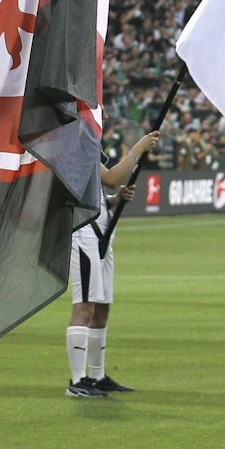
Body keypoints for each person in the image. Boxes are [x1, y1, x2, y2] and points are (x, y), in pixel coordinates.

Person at [65, 129, 160, 398]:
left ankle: (96, 375)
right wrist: (138, 148)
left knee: (101, 307)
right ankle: (77, 380)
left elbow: (95, 189)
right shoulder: (74, 143)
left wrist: (113, 201)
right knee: (84, 305)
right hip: (83, 232)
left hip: (101, 231)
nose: (103, 118)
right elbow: (110, 178)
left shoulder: (89, 145)